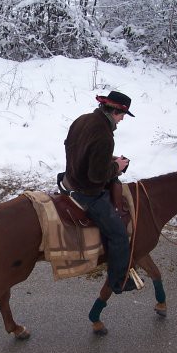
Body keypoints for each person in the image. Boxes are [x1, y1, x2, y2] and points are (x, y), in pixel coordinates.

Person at [60, 91, 136, 294]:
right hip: (87, 192)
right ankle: (118, 281)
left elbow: (76, 149)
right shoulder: (104, 135)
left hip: (69, 180)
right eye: (122, 115)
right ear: (114, 111)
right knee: (119, 234)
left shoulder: (82, 120)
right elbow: (96, 176)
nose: (121, 120)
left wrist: (107, 159)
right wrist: (117, 167)